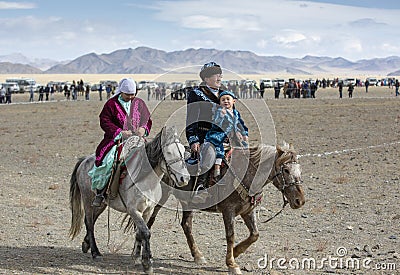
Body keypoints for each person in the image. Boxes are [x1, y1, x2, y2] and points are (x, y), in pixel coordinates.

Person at [89, 78, 152, 207]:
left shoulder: (139, 103)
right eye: (127, 94)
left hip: (137, 140)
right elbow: (104, 120)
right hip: (117, 141)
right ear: (121, 92)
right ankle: (101, 193)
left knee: (152, 158)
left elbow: (147, 119)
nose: (130, 97)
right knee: (109, 161)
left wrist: (143, 128)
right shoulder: (111, 104)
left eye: (132, 94)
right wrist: (119, 132)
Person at [186, 61, 224, 202]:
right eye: (216, 75)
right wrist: (193, 139)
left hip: (225, 136)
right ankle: (200, 188)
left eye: (220, 75)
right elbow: (191, 118)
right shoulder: (196, 94)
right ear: (206, 78)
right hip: (204, 136)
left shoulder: (225, 94)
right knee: (208, 158)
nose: (219, 77)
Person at [204, 90, 248, 178]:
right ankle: (217, 167)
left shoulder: (235, 113)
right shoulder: (219, 112)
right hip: (219, 135)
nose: (226, 101)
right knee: (219, 149)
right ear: (220, 103)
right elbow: (215, 124)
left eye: (228, 99)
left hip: (232, 136)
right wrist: (220, 116)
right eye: (223, 100)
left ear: (233, 101)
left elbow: (240, 124)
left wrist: (244, 133)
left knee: (244, 147)